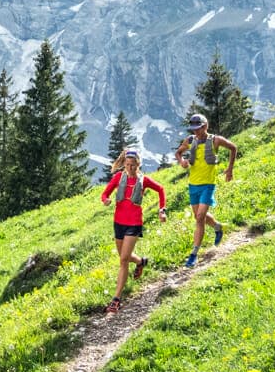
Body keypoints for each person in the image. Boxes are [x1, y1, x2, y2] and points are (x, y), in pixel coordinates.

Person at [99, 148, 166, 314]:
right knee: (125, 257)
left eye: (133, 165)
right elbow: (104, 194)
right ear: (124, 164)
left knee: (123, 260)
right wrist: (106, 200)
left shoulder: (144, 180)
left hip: (134, 224)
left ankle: (116, 300)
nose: (129, 168)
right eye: (127, 165)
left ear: (138, 164)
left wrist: (162, 210)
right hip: (118, 223)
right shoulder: (118, 177)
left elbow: (161, 189)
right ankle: (140, 262)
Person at [174, 112, 237, 267]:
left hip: (208, 184)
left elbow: (233, 148)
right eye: (193, 129)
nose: (196, 131)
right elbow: (178, 152)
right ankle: (217, 227)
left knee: (200, 217)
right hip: (193, 184)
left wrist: (230, 169)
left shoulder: (215, 140)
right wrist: (181, 161)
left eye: (199, 128)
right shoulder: (190, 140)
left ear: (205, 126)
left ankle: (194, 254)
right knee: (198, 216)